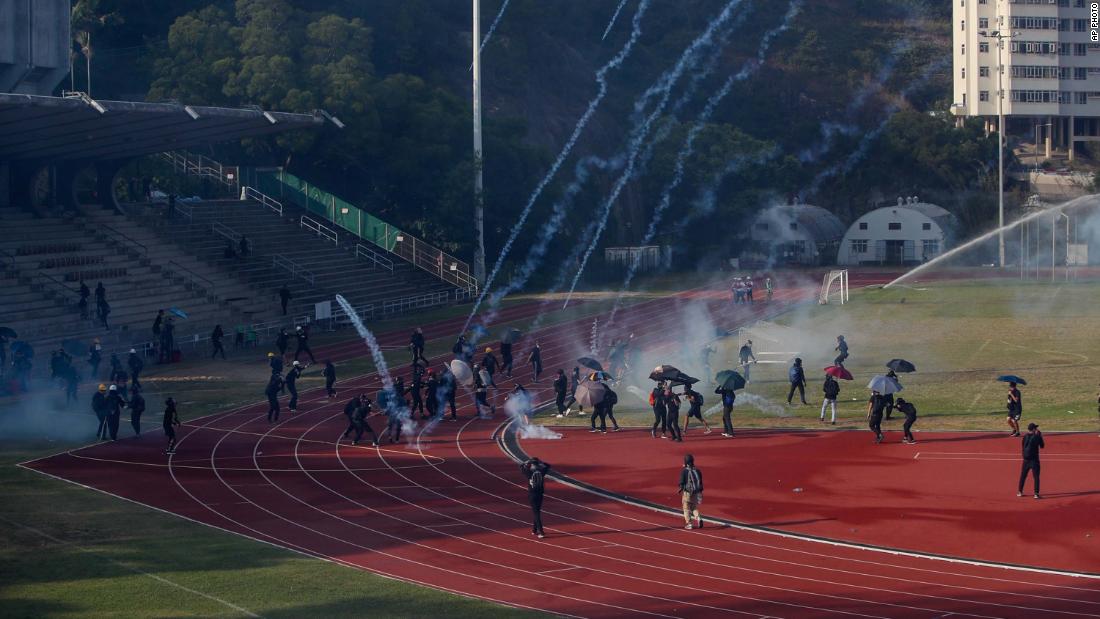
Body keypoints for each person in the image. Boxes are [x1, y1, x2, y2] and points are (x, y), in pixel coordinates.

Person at [521, 457, 550, 539]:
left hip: (532, 495)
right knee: (537, 511)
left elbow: (521, 467)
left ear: (532, 465)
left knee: (536, 513)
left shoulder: (529, 473)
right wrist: (541, 462)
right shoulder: (541, 472)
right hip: (540, 495)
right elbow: (548, 465)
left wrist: (526, 462)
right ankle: (534, 530)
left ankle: (541, 531)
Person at [1018, 423, 1044, 499]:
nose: (1036, 429)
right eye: (1035, 428)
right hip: (1034, 460)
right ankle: (1036, 493)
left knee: (1023, 476)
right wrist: (1039, 436)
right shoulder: (1036, 437)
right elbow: (1042, 446)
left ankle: (1020, 491)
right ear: (1033, 429)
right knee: (1036, 477)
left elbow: (1023, 446)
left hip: (1025, 459)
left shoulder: (1025, 436)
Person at [678, 454, 704, 530]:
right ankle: (698, 518)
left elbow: (681, 482)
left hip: (687, 493)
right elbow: (700, 482)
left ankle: (689, 524)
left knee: (686, 508)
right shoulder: (697, 471)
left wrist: (681, 488)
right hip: (696, 492)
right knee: (693, 507)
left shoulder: (684, 471)